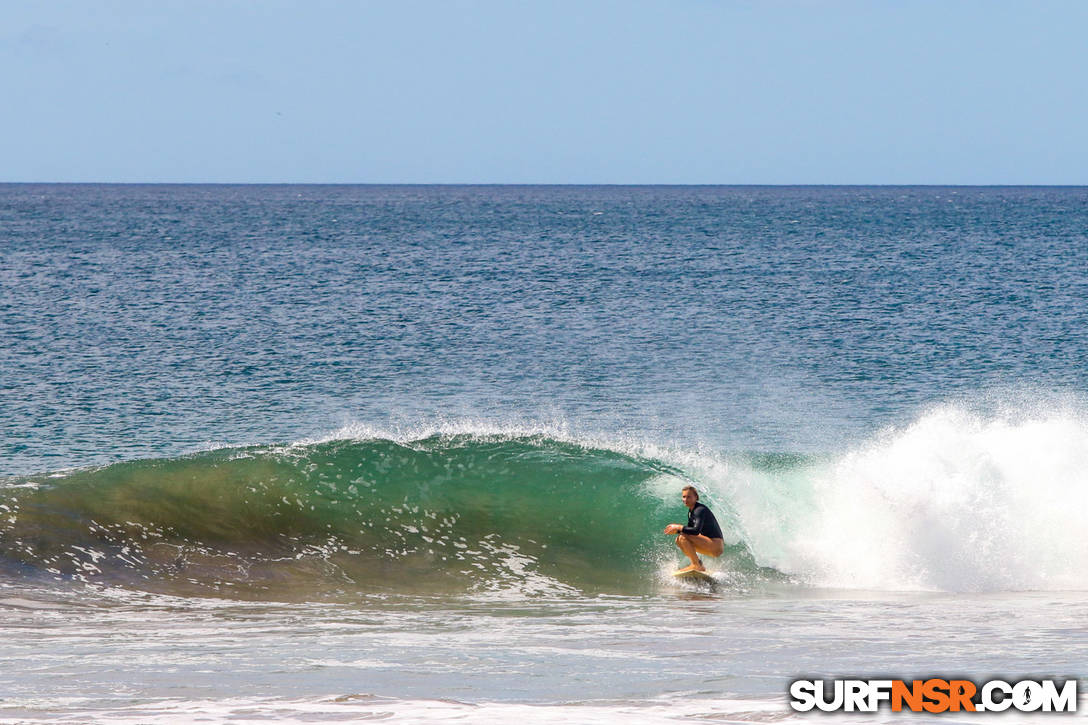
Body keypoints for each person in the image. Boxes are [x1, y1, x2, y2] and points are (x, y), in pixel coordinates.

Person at [663, 485, 724, 572]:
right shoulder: (691, 511)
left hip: (715, 545)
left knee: (682, 537)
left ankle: (696, 565)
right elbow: (689, 531)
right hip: (709, 544)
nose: (685, 499)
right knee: (679, 540)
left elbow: (695, 531)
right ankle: (698, 563)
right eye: (684, 497)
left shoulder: (699, 510)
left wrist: (678, 527)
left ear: (696, 497)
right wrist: (678, 530)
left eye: (689, 497)